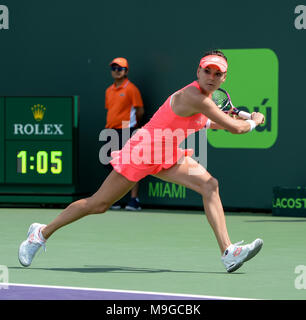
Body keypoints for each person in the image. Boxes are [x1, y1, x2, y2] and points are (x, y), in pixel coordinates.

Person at [18, 50, 265, 273]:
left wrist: (231, 122)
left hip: (167, 154)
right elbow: (236, 128)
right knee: (98, 204)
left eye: (217, 73)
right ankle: (40, 234)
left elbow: (212, 123)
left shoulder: (204, 102)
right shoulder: (194, 96)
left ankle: (228, 252)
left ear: (223, 78)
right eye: (207, 71)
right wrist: (253, 121)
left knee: (209, 185)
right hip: (142, 152)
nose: (211, 76)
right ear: (198, 72)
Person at [104, 57, 144, 211]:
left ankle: (134, 200)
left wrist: (132, 127)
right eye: (114, 68)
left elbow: (139, 110)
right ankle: (114, 199)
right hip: (111, 130)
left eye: (120, 69)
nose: (116, 71)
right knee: (113, 166)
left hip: (128, 130)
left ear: (126, 71)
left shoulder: (131, 89)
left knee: (132, 165)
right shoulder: (108, 90)